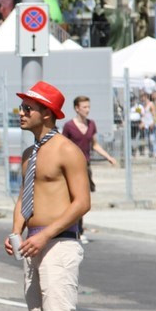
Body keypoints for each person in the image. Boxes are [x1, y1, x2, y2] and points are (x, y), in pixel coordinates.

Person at [5, 81, 90, 311]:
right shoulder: (30, 154)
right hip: (34, 242)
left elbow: (82, 202)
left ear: (47, 113)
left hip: (59, 241)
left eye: (28, 108)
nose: (21, 113)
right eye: (22, 107)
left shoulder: (67, 150)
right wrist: (15, 231)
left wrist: (46, 234)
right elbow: (24, 198)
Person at [61, 95, 117, 243]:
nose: (87, 110)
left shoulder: (91, 124)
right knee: (73, 199)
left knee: (83, 199)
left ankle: (79, 230)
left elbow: (95, 144)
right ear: (76, 108)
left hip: (85, 166)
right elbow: (63, 146)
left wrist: (108, 157)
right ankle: (72, 229)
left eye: (88, 107)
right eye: (84, 107)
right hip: (71, 167)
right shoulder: (69, 126)